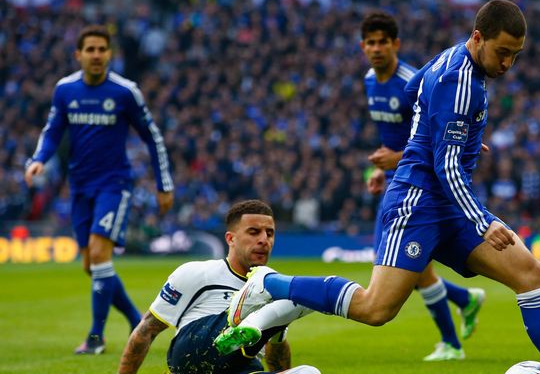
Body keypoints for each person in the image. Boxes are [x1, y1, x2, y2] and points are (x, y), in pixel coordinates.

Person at [223, 0, 540, 374]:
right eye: (503, 52)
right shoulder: (460, 82)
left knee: (530, 273)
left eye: (515, 54)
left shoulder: (448, 58)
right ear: (478, 37)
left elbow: (412, 93)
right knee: (376, 308)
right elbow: (445, 165)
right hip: (419, 200)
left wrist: (457, 133)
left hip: (448, 202)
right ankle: (270, 283)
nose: (508, 63)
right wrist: (482, 219)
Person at [24, 25, 175, 355]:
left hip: (114, 184)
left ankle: (96, 338)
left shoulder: (125, 92)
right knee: (91, 265)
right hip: (79, 186)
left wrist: (164, 185)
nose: (96, 55)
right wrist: (39, 159)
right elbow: (52, 132)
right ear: (78, 54)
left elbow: (153, 137)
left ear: (110, 54)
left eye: (101, 49)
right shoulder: (65, 90)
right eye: (89, 49)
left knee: (98, 253)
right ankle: (139, 320)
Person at [359, 11, 485, 361]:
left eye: (383, 41)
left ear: (396, 44)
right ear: (362, 47)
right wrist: (381, 169)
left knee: (404, 269)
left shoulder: (410, 80)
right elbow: (393, 136)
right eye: (370, 42)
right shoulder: (370, 80)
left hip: (422, 178)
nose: (377, 49)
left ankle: (453, 340)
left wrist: (462, 140)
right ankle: (463, 302)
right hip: (399, 178)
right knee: (410, 269)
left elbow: (430, 130)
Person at [117, 200, 319, 374]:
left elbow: (277, 347)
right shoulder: (197, 273)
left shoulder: (274, 288)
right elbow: (147, 330)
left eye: (270, 233)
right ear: (231, 239)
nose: (264, 240)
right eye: (254, 232)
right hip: (196, 360)